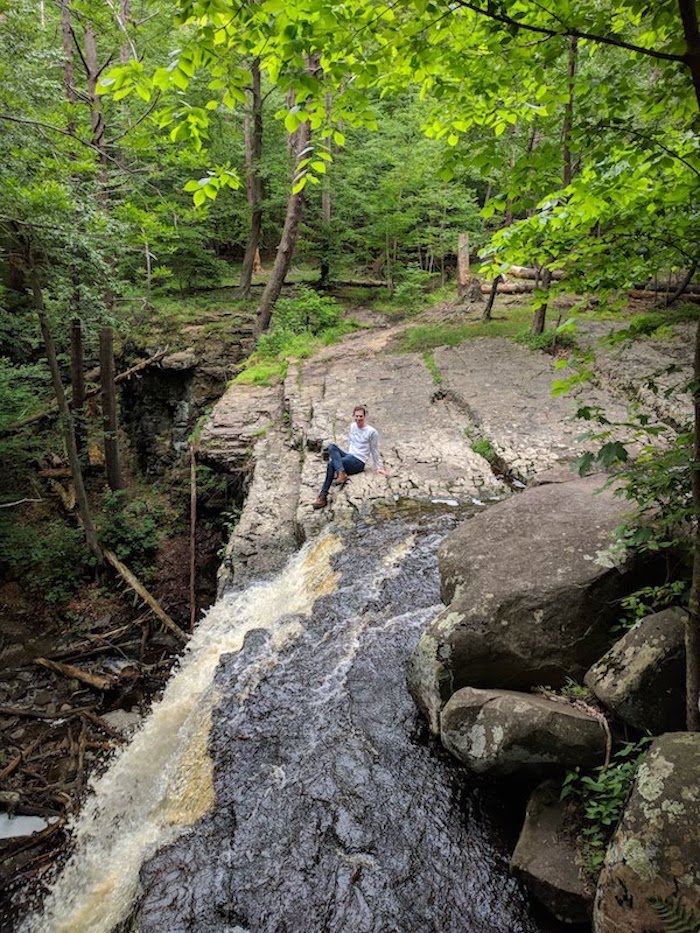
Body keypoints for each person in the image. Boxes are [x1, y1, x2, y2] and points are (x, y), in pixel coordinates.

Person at [313, 405, 387, 509]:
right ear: (353, 416)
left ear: (365, 416)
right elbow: (350, 442)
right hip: (349, 456)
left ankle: (323, 496)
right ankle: (341, 472)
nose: (358, 419)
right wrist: (342, 456)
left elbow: (374, 449)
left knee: (331, 464)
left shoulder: (372, 432)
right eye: (356, 416)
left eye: (361, 416)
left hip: (359, 461)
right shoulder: (353, 426)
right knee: (331, 447)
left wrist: (378, 467)